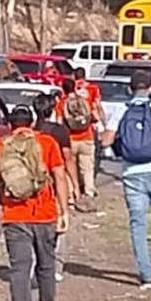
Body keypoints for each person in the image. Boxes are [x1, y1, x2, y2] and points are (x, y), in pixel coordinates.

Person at [0, 106, 69, 301]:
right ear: (31, 123)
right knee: (46, 266)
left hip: (14, 216)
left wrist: (5, 200)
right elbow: (59, 176)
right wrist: (63, 210)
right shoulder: (47, 142)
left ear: (10, 124)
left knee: (19, 270)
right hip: (45, 214)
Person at [101, 71, 151, 290]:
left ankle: (146, 274)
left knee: (138, 222)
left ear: (130, 89)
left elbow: (106, 140)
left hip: (131, 174)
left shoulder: (122, 110)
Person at [33, 93, 74, 282]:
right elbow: (67, 158)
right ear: (52, 109)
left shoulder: (31, 130)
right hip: (56, 180)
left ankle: (38, 263)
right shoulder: (59, 131)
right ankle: (56, 266)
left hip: (35, 181)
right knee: (60, 224)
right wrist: (75, 183)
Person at [56, 77, 99, 206]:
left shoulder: (62, 103)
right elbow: (95, 117)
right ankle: (89, 191)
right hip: (87, 137)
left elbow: (59, 122)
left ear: (63, 89)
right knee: (88, 168)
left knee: (70, 168)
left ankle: (71, 195)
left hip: (70, 140)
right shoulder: (84, 100)